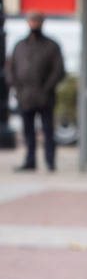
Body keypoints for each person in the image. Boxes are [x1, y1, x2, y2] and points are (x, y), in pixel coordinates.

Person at [5, 12, 65, 173]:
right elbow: (11, 69)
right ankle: (30, 161)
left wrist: (46, 88)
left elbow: (59, 70)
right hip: (25, 96)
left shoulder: (51, 46)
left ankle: (50, 161)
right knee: (28, 132)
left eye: (37, 21)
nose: (34, 24)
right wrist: (17, 87)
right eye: (31, 21)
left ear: (42, 23)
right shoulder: (20, 45)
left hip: (45, 97)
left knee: (48, 131)